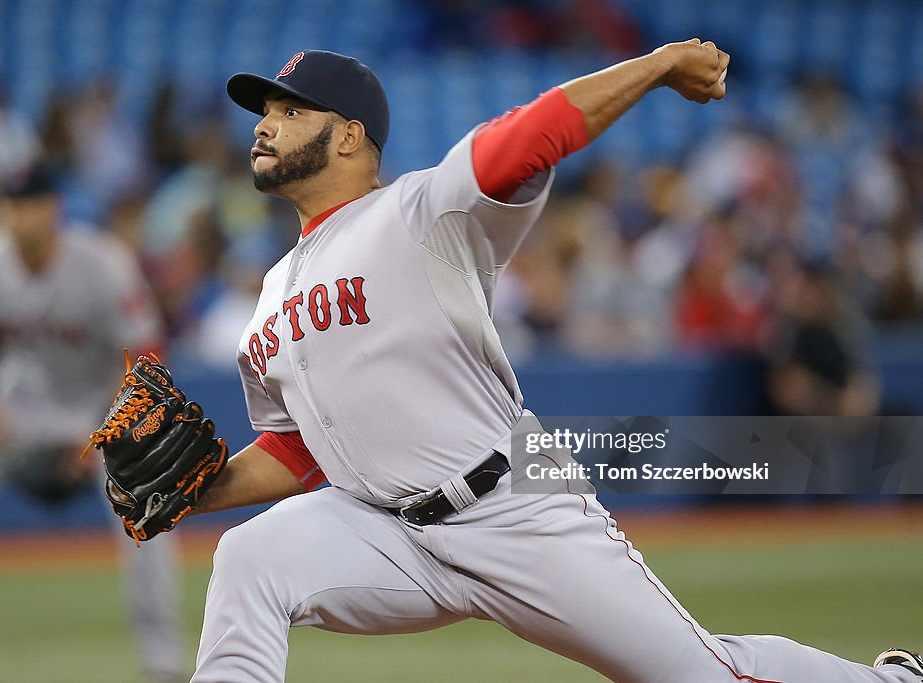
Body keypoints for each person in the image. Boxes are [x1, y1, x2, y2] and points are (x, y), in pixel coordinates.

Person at [188, 46, 923, 682]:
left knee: (702, 672)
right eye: (267, 111)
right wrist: (196, 488)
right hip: (383, 530)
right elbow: (299, 447)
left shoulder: (422, 211)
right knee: (252, 557)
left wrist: (659, 65)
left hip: (512, 505)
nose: (264, 124)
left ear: (349, 136)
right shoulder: (272, 293)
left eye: (289, 111)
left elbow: (527, 137)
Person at [0, 166, 187, 682]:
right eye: (7, 203)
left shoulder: (102, 263)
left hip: (101, 400)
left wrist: (108, 426)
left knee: (146, 511)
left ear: (52, 208)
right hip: (20, 396)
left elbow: (147, 353)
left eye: (26, 202)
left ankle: (162, 661)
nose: (15, 214)